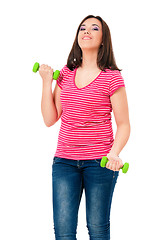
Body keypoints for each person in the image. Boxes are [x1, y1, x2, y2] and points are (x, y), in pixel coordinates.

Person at [40, 15, 130, 240]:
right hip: (64, 162)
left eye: (94, 28)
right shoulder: (66, 74)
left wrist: (114, 153)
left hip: (99, 163)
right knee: (63, 233)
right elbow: (50, 118)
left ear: (103, 39)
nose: (86, 31)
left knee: (98, 230)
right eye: (82, 28)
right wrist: (45, 82)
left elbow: (124, 124)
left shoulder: (112, 78)